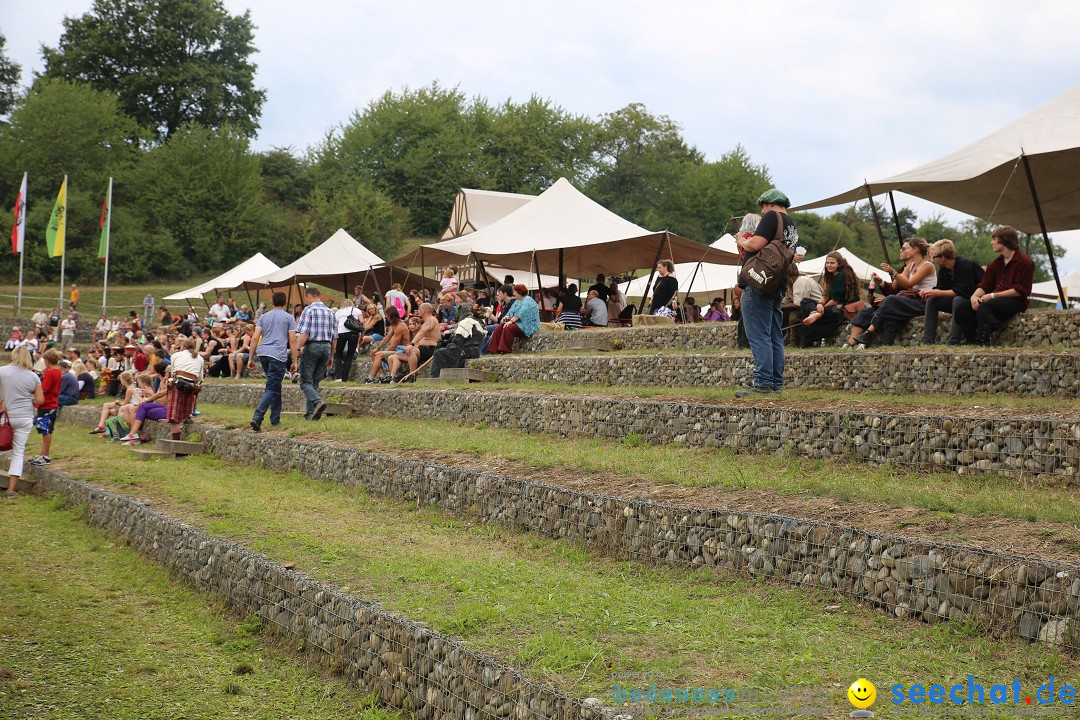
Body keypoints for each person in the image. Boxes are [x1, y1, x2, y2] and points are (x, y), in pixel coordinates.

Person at [735, 190, 799, 397]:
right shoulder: (790, 224)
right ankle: (776, 384)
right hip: (776, 284)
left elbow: (756, 244)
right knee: (774, 335)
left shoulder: (772, 217)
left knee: (759, 334)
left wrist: (741, 241)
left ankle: (762, 383)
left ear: (772, 203)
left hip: (758, 283)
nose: (762, 211)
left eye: (763, 205)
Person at [844, 237, 936, 348]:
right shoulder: (910, 266)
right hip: (911, 300)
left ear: (915, 250)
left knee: (890, 301)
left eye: (905, 249)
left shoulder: (927, 266)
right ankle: (853, 344)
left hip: (923, 301)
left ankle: (869, 333)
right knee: (872, 310)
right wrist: (890, 276)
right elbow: (895, 285)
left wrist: (893, 271)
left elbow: (908, 283)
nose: (901, 251)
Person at [953, 225, 1034, 345]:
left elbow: (1019, 290)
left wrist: (992, 296)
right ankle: (972, 340)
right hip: (996, 300)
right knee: (962, 309)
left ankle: (982, 342)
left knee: (985, 306)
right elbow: (985, 284)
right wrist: (974, 297)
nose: (992, 243)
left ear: (1004, 241)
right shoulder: (996, 263)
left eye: (994, 239)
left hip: (1016, 301)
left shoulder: (1025, 262)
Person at [247, 292, 298, 432]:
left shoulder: (263, 317)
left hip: (263, 353)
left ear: (272, 301)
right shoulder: (289, 318)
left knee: (275, 386)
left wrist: (251, 358)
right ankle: (257, 417)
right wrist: (295, 361)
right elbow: (293, 340)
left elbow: (254, 338)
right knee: (271, 387)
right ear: (285, 302)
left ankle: (275, 419)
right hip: (278, 355)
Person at [920, 239, 985, 344]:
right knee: (931, 301)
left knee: (957, 300)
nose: (932, 259)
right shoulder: (944, 269)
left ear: (943, 257)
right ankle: (927, 341)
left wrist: (938, 293)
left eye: (934, 257)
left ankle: (954, 341)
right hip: (959, 300)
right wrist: (929, 292)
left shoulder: (965, 265)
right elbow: (941, 287)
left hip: (974, 302)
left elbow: (963, 291)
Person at [0, 347, 43, 497]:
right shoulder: (33, 376)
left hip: (6, 415)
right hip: (24, 416)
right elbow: (40, 400)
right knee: (18, 452)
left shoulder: (2, 371)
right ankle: (11, 490)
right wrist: (27, 399)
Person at [799, 251, 861, 347]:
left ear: (839, 264)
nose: (829, 265)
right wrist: (819, 305)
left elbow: (835, 300)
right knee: (805, 301)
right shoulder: (831, 276)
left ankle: (815, 315)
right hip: (830, 305)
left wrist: (820, 311)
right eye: (827, 263)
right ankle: (813, 313)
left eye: (832, 263)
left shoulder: (841, 275)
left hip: (840, 308)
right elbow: (826, 295)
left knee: (808, 322)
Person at [294, 286, 337, 421]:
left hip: (312, 347)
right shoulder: (330, 312)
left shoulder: (309, 310)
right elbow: (335, 337)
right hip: (326, 347)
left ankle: (317, 402)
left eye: (306, 298)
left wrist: (297, 349)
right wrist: (331, 355)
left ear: (309, 296)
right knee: (314, 383)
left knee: (305, 382)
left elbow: (304, 333)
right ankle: (310, 415)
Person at [29, 347, 63, 466]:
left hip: (47, 404)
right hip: (51, 404)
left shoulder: (50, 373)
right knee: (45, 430)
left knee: (45, 430)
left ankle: (46, 455)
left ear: (47, 361)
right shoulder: (57, 371)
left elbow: (44, 388)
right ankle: (43, 454)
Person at [166, 338, 205, 439]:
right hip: (191, 386)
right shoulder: (200, 358)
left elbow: (173, 372)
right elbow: (200, 378)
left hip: (178, 384)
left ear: (183, 347)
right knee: (192, 387)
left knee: (173, 418)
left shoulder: (175, 355)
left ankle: (176, 441)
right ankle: (187, 416)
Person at [391, 303, 439, 382]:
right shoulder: (426, 321)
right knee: (398, 354)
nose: (417, 311)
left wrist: (411, 344)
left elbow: (422, 332)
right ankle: (393, 376)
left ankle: (412, 375)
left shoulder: (431, 320)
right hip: (420, 348)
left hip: (429, 348)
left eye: (419, 309)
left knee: (411, 350)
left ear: (424, 311)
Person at [487, 284, 541, 354]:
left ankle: (505, 349)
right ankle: (493, 350)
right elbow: (511, 312)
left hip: (527, 325)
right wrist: (506, 317)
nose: (513, 294)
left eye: (514, 292)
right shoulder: (517, 301)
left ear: (519, 292)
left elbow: (521, 313)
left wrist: (511, 321)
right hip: (518, 323)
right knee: (499, 328)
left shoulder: (528, 300)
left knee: (508, 327)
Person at [365, 306, 410, 383]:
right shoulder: (394, 325)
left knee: (378, 355)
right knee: (374, 353)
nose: (385, 317)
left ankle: (371, 378)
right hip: (397, 349)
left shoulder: (400, 326)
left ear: (391, 315)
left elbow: (394, 346)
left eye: (386, 315)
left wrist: (383, 352)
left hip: (402, 350)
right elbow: (387, 337)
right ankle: (383, 375)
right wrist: (377, 348)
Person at [333, 299, 362, 382]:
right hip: (354, 333)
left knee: (338, 354)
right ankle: (345, 378)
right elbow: (362, 321)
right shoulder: (356, 310)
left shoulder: (338, 312)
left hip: (341, 332)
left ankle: (339, 377)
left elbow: (336, 324)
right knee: (349, 355)